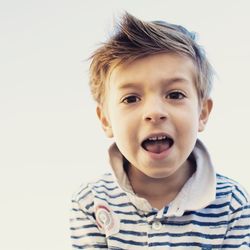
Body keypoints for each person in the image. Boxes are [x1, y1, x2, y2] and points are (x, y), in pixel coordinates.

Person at [70, 12, 250, 249]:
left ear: (202, 113)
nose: (154, 112)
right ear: (106, 120)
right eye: (131, 98)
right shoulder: (92, 202)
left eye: (175, 95)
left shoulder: (231, 203)